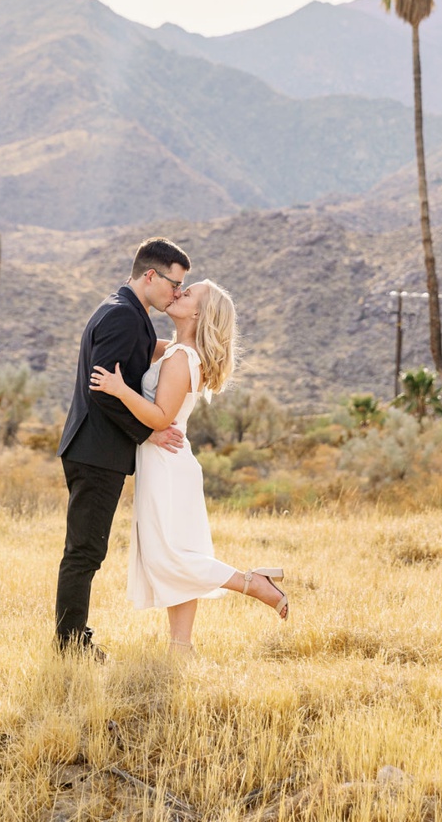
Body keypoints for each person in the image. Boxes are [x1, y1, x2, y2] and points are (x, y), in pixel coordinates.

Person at [89, 278, 288, 653]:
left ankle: (253, 583)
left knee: (171, 557)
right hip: (167, 462)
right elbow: (142, 348)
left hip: (166, 464)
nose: (179, 293)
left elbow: (162, 417)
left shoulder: (183, 358)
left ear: (199, 313)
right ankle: (181, 647)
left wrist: (119, 390)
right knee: (179, 552)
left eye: (189, 292)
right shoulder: (175, 350)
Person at [54, 237, 192, 657]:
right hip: (96, 451)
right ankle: (71, 646)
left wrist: (191, 346)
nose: (177, 293)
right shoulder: (123, 316)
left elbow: (138, 358)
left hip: (95, 449)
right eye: (174, 284)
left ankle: (72, 641)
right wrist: (147, 432)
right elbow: (103, 390)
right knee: (84, 553)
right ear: (150, 275)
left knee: (85, 550)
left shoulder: (127, 312)